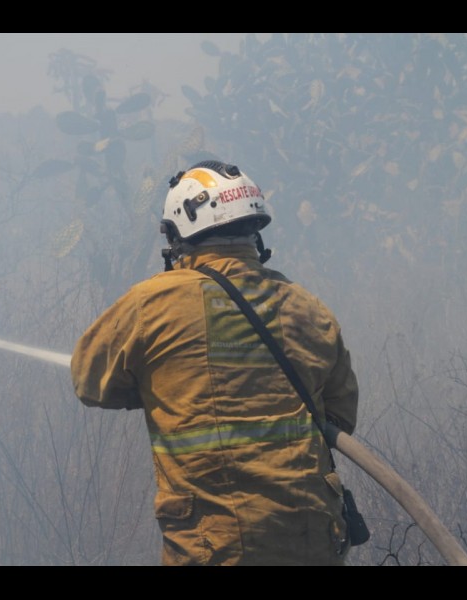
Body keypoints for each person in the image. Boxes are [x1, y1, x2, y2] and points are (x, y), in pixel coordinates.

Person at [70, 160, 359, 566]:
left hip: (216, 545)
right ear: (252, 232)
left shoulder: (153, 304)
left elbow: (88, 380)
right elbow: (340, 418)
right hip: (313, 540)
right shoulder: (308, 309)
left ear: (181, 235)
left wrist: (162, 382)